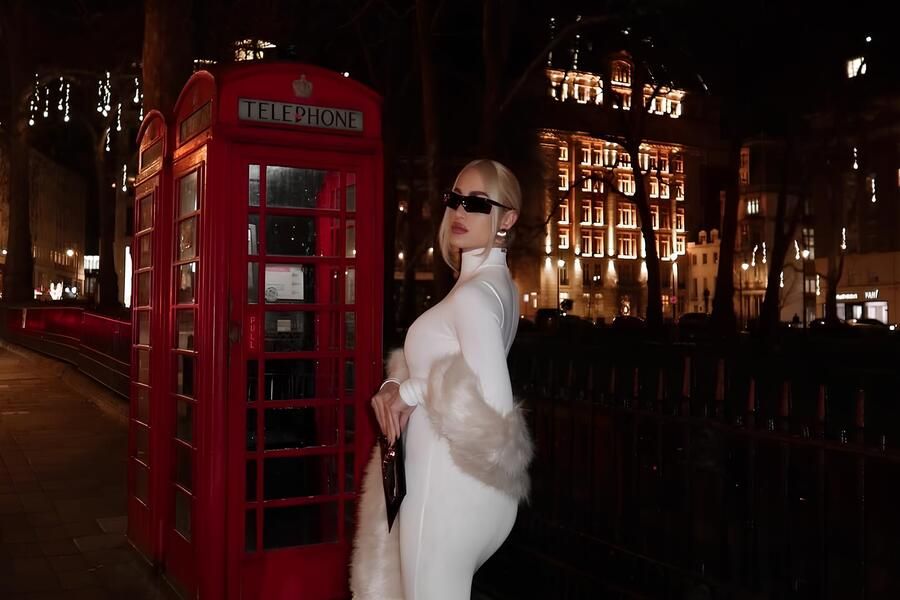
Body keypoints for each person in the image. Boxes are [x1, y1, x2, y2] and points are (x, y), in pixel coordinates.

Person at [350, 160, 533, 600]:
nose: (460, 212)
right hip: (459, 486)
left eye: (477, 203)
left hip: (447, 484)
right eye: (455, 199)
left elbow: (491, 410)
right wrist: (397, 387)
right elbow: (449, 365)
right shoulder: (494, 286)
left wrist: (411, 390)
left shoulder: (474, 296)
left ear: (508, 218)